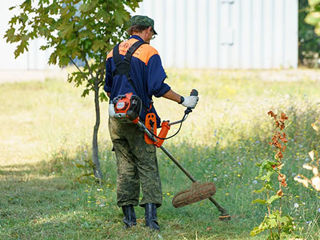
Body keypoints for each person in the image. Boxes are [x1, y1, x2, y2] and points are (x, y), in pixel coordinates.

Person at [104, 15, 198, 231]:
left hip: (116, 118)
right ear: (147, 30)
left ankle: (128, 219)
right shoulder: (149, 52)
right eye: (152, 34)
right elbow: (158, 87)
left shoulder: (113, 52)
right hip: (139, 117)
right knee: (147, 165)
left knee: (125, 166)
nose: (152, 38)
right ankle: (150, 220)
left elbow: (108, 87)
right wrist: (184, 100)